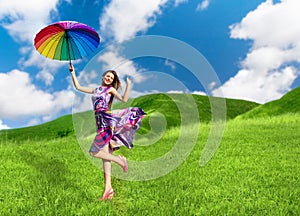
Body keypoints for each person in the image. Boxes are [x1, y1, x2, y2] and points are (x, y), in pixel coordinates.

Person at [69, 63, 145, 200]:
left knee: (94, 152)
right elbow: (78, 87)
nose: (109, 78)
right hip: (99, 122)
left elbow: (124, 99)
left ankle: (120, 161)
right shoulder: (96, 89)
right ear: (103, 76)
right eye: (108, 76)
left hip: (106, 121)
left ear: (112, 81)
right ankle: (108, 190)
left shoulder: (110, 90)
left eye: (111, 78)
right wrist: (72, 72)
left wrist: (128, 85)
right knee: (105, 156)